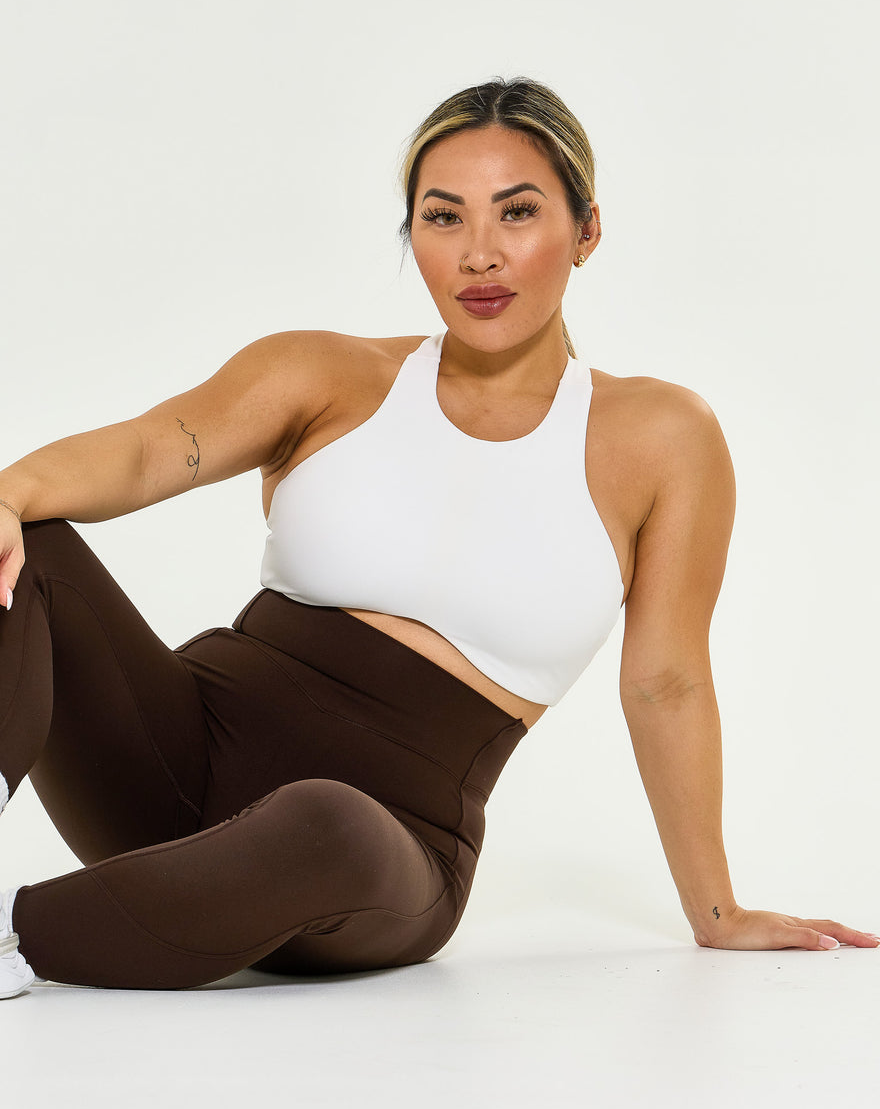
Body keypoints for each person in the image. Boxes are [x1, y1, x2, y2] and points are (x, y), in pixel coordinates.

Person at [1, 78, 876, 999]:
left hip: (381, 853)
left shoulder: (662, 438)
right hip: (175, 764)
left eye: (518, 212)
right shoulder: (327, 374)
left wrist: (718, 910)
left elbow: (668, 681)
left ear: (587, 230)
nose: (479, 253)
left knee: (325, 821)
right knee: (30, 544)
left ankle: (24, 934)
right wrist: (10, 492)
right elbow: (150, 450)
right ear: (411, 233)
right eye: (444, 217)